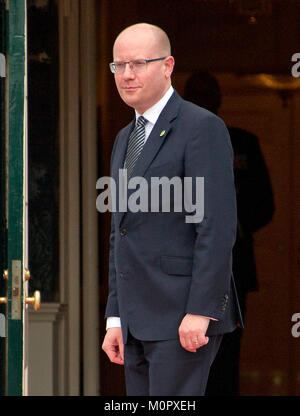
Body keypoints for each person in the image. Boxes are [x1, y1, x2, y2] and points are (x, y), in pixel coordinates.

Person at [101, 23, 243, 396]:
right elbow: (121, 231)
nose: (127, 75)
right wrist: (115, 317)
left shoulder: (201, 128)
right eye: (119, 66)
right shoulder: (124, 138)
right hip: (134, 324)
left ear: (167, 66)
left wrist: (202, 310)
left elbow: (216, 226)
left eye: (138, 63)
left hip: (182, 319)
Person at [184, 71, 275, 395]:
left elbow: (265, 204)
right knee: (182, 357)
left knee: (225, 355)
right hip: (180, 268)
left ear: (220, 99)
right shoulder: (167, 142)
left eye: (209, 94)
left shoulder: (243, 143)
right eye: (196, 94)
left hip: (232, 268)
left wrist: (232, 224)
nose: (203, 101)